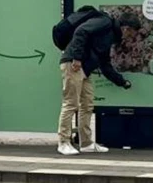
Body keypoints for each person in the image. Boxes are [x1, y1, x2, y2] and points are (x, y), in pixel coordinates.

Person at [57, 8, 136, 156]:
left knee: (87, 105)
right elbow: (81, 31)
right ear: (126, 28)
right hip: (73, 64)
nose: (130, 37)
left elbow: (105, 64)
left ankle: (86, 143)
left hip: (84, 68)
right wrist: (77, 57)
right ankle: (63, 142)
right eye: (131, 33)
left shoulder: (110, 36)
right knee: (71, 103)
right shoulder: (105, 22)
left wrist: (121, 82)